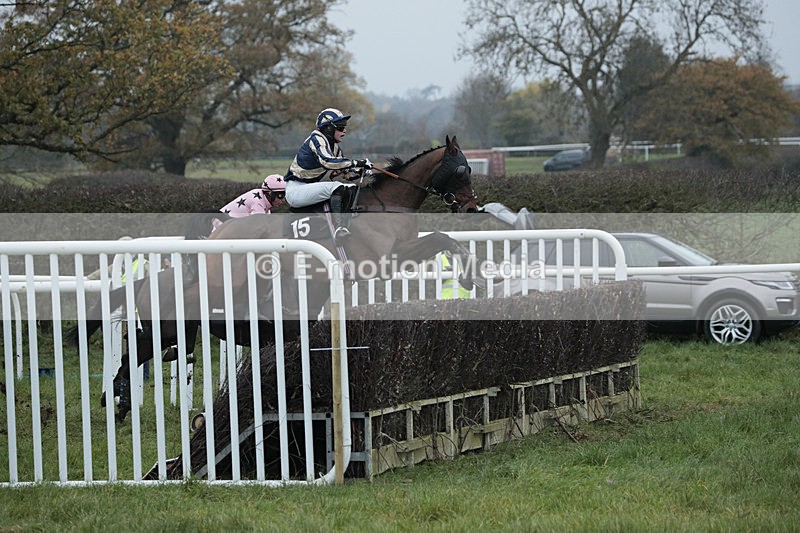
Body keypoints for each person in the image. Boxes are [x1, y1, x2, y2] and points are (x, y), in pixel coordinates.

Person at [284, 108, 372, 240]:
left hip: (306, 188)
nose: (345, 131)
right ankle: (339, 228)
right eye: (341, 127)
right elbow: (327, 162)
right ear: (329, 128)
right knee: (336, 187)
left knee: (352, 188)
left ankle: (350, 223)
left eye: (345, 127)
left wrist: (362, 172)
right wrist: (357, 162)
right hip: (295, 191)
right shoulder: (316, 139)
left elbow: (347, 173)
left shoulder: (335, 147)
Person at [212, 174, 287, 230]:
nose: (283, 200)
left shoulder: (262, 200)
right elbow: (258, 228)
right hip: (218, 229)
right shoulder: (258, 202)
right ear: (270, 193)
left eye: (285, 195)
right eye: (281, 195)